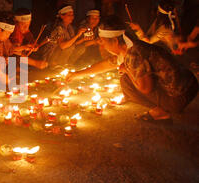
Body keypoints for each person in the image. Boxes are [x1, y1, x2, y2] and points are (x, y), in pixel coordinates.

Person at [66, 15, 198, 124]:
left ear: (116, 41)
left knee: (126, 83)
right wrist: (77, 74)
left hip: (179, 95)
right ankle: (166, 107)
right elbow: (108, 63)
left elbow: (146, 88)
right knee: (126, 77)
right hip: (188, 85)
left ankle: (161, 112)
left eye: (103, 41)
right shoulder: (130, 46)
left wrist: (127, 70)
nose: (101, 44)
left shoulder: (133, 54)